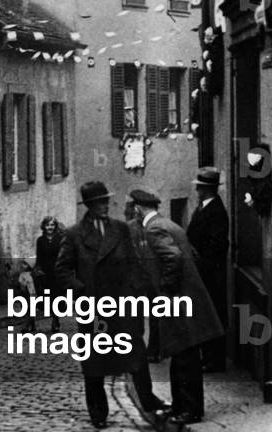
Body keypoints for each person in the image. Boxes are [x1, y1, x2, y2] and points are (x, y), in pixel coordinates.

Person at [54, 180, 167, 429]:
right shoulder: (74, 234)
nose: (105, 206)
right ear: (89, 206)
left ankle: (148, 400)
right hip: (93, 308)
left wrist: (139, 295)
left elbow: (134, 263)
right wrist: (81, 290)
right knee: (94, 362)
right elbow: (62, 270)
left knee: (135, 353)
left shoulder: (120, 229)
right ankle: (98, 412)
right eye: (99, 203)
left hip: (122, 303)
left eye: (106, 201)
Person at [130, 188, 224, 426]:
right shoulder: (170, 224)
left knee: (184, 357)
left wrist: (166, 291)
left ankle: (190, 410)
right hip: (187, 298)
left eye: (134, 209)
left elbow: (173, 258)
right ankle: (181, 405)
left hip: (177, 301)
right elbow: (192, 254)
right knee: (182, 354)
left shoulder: (153, 229)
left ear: (139, 209)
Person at [186, 167, 229, 372]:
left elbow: (217, 244)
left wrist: (200, 260)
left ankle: (215, 359)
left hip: (210, 273)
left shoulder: (216, 211)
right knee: (204, 315)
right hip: (203, 271)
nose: (197, 191)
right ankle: (208, 357)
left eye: (200, 188)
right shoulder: (203, 208)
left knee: (212, 315)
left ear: (207, 189)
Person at [34, 216, 64, 332]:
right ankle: (52, 317)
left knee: (57, 297)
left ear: (55, 226)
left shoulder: (61, 239)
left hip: (57, 272)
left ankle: (56, 320)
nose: (50, 227)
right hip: (45, 273)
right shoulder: (40, 240)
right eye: (47, 225)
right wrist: (38, 268)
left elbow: (64, 255)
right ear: (44, 227)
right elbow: (39, 256)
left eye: (52, 225)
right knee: (47, 297)